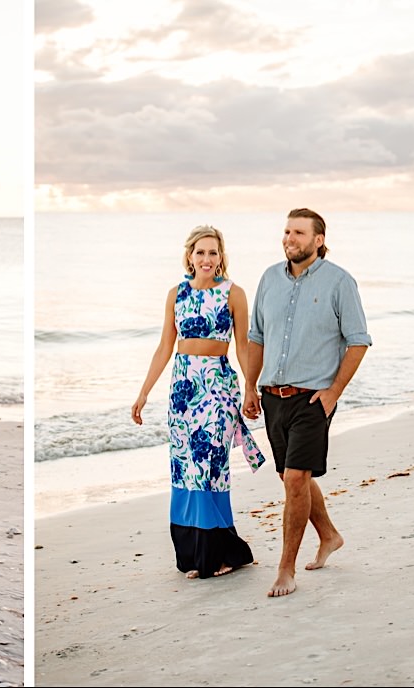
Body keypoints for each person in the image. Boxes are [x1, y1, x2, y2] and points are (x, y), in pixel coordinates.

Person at [243, 208, 370, 598]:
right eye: (286, 231)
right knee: (291, 476)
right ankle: (329, 535)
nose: (289, 239)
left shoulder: (339, 282)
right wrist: (250, 387)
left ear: (318, 239)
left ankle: (286, 569)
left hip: (313, 399)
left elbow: (358, 340)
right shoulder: (268, 279)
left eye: (298, 232)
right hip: (272, 397)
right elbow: (257, 337)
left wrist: (333, 393)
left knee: (296, 479)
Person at [132, 225, 266, 579]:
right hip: (183, 387)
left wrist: (251, 387)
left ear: (221, 256)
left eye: (213, 252)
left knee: (209, 467)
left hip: (218, 387)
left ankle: (218, 554)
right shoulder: (175, 294)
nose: (207, 259)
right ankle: (195, 555)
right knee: (185, 467)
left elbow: (243, 347)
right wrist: (144, 391)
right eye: (200, 252)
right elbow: (165, 346)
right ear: (189, 256)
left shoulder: (233, 293)